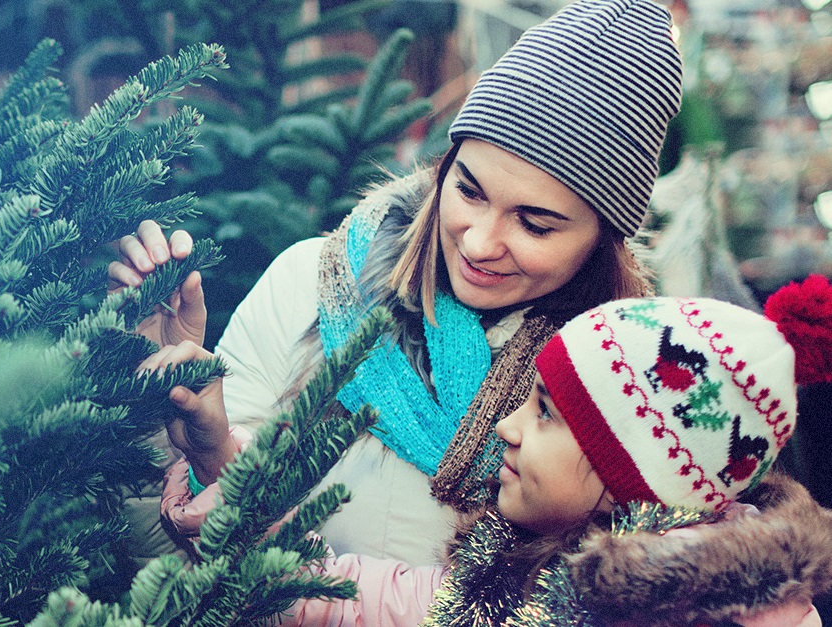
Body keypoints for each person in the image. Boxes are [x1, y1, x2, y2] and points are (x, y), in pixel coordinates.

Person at [112, 0, 683, 562]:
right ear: (445, 165)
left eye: (534, 224)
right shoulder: (310, 284)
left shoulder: (630, 396)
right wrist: (160, 413)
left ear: (602, 240)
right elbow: (170, 566)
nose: (480, 243)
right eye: (469, 191)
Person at [153, 278, 832, 626]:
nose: (505, 426)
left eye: (544, 413)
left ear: (632, 474)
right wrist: (217, 453)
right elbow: (318, 595)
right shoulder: (502, 581)